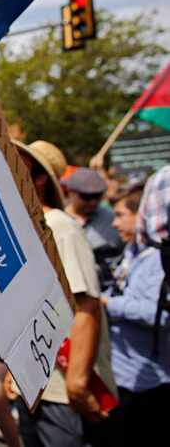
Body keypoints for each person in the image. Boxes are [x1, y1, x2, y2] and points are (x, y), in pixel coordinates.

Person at [13, 140, 118, 447]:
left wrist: (77, 381)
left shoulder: (60, 228)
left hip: (63, 391)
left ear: (40, 177)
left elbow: (87, 306)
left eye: (14, 162)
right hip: (34, 386)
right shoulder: (23, 228)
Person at [98, 188, 169, 445]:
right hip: (120, 377)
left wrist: (107, 303)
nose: (114, 223)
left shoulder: (160, 260)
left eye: (120, 215)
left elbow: (157, 315)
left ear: (141, 216)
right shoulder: (130, 253)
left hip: (147, 384)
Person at [64, 168, 124, 291]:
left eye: (97, 196)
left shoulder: (111, 217)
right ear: (70, 192)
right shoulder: (60, 220)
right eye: (86, 197)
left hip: (112, 290)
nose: (92, 202)